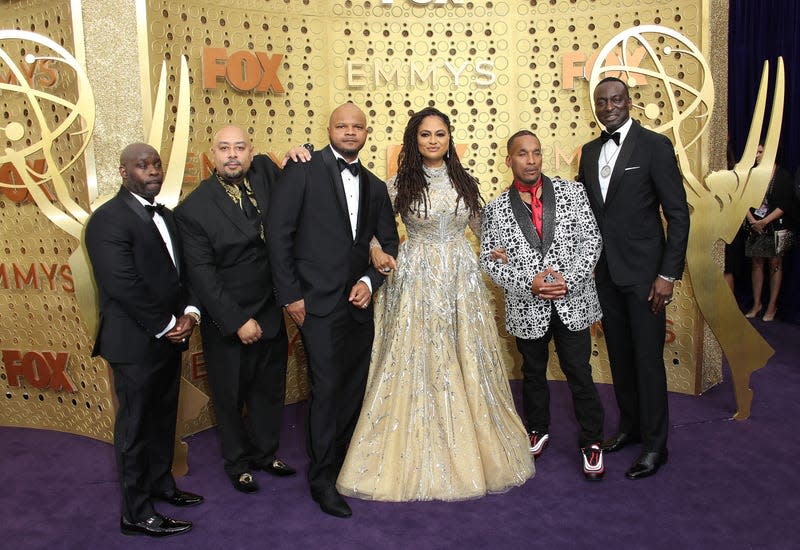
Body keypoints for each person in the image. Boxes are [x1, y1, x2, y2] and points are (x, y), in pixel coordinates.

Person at [335, 107, 534, 502]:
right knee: (416, 357)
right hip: (416, 277)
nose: (432, 141)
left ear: (449, 139)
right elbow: (372, 232)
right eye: (425, 135)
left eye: (439, 134)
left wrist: (508, 252)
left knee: (464, 356)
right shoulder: (396, 185)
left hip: (461, 279)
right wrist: (376, 252)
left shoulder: (465, 180)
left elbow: (483, 228)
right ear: (414, 140)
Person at [267, 103, 400, 518]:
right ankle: (322, 478)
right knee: (326, 389)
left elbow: (389, 244)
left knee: (351, 387)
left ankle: (344, 464)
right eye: (341, 125)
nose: (349, 132)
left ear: (366, 133)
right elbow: (277, 233)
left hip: (358, 305)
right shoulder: (303, 169)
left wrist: (369, 282)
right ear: (329, 129)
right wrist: (291, 296)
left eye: (357, 126)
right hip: (315, 304)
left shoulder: (377, 186)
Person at [84, 143, 203, 537]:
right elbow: (122, 285)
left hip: (170, 338)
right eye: (142, 166)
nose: (152, 171)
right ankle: (135, 513)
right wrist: (168, 323)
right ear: (123, 172)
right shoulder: (107, 221)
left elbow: (180, 276)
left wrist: (189, 314)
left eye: (156, 164)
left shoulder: (167, 217)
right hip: (134, 344)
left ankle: (160, 485)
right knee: (134, 429)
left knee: (162, 419)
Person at [577, 76, 689, 480]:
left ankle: (657, 446)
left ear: (630, 101)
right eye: (602, 101)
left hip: (646, 277)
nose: (610, 106)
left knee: (647, 359)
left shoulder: (655, 146)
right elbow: (584, 214)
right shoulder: (589, 153)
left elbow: (678, 215)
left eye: (617, 99)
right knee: (620, 359)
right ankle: (630, 427)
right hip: (604, 275)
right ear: (596, 106)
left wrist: (667, 274)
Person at [174, 125, 295, 495]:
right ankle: (238, 464)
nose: (232, 155)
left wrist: (298, 154)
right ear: (211, 155)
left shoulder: (263, 173)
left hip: (271, 310)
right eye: (224, 148)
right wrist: (238, 321)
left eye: (239, 147)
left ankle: (264, 454)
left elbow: (292, 180)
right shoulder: (193, 209)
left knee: (269, 390)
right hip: (229, 317)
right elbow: (203, 277)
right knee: (230, 396)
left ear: (251, 150)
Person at [481, 130, 605, 480]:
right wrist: (529, 283)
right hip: (526, 306)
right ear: (509, 160)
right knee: (532, 373)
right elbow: (491, 262)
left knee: (579, 372)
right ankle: (537, 428)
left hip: (573, 300)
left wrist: (568, 279)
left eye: (536, 153)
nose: (531, 160)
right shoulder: (495, 209)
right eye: (522, 154)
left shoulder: (573, 192)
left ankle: (592, 440)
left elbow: (591, 240)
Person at [743, 144, 796, 322]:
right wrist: (752, 221)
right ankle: (757, 303)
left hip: (777, 226)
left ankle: (772, 305)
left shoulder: (783, 176)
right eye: (755, 152)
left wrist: (765, 221)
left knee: (775, 264)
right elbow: (743, 199)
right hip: (755, 225)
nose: (756, 155)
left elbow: (785, 205)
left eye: (760, 152)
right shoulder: (752, 174)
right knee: (756, 264)